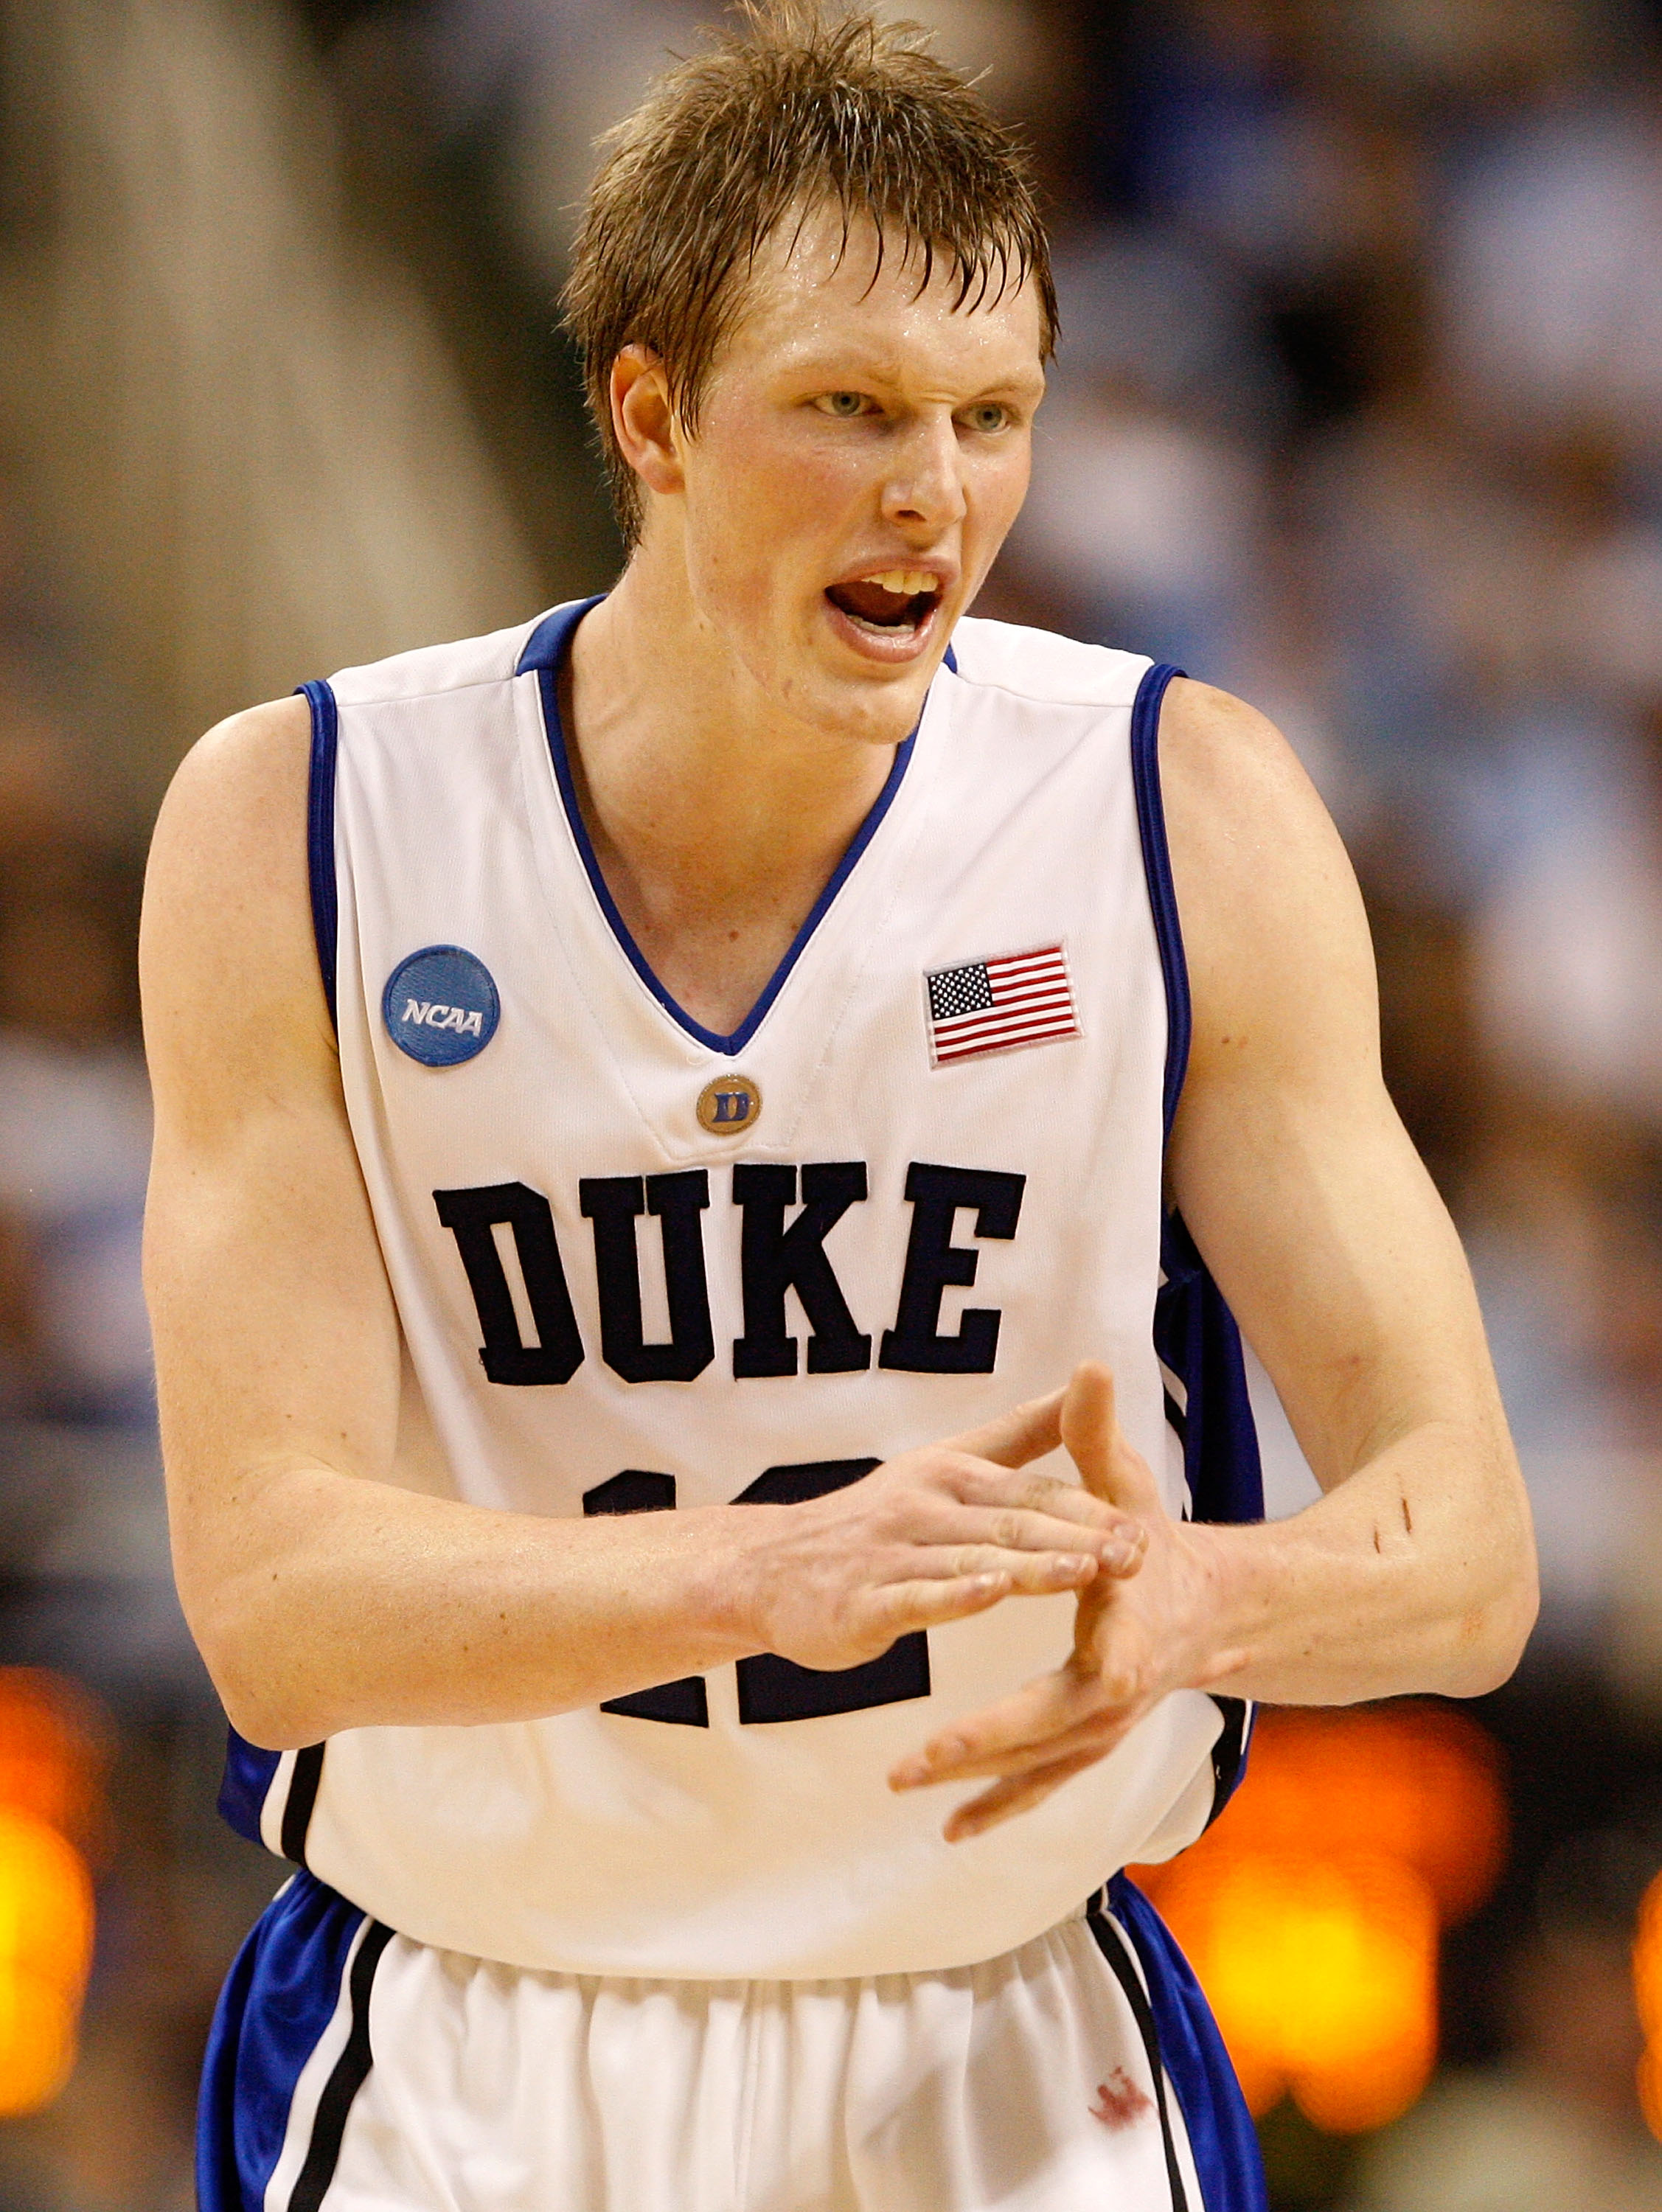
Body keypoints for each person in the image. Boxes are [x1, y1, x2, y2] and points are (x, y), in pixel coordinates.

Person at [139, 8, 1538, 2208]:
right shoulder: (301, 824)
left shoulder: (1185, 814)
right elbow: (270, 1599)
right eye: (854, 409)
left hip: (1003, 2027)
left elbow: (1466, 1554)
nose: (937, 493)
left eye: (994, 419)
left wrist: (1202, 1602)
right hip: (470, 2047)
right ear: (652, 416)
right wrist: (764, 1571)